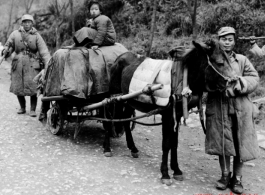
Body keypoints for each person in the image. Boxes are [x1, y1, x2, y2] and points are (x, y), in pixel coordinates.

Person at [204, 27, 260, 194]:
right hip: (218, 106)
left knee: (239, 143)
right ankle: (225, 175)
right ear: (218, 41)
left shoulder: (241, 60)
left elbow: (254, 78)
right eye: (223, 39)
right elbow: (204, 80)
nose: (227, 42)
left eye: (230, 39)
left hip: (241, 107)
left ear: (234, 41)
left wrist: (240, 83)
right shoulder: (210, 59)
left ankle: (237, 178)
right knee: (222, 143)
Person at [1, 14, 50, 117]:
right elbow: (9, 46)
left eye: (29, 22)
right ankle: (22, 107)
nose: (27, 24)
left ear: (32, 23)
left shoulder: (37, 36)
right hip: (18, 64)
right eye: (25, 22)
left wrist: (47, 64)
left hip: (32, 64)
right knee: (18, 86)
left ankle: (32, 109)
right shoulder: (15, 34)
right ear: (22, 23)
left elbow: (44, 51)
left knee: (33, 87)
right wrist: (6, 50)